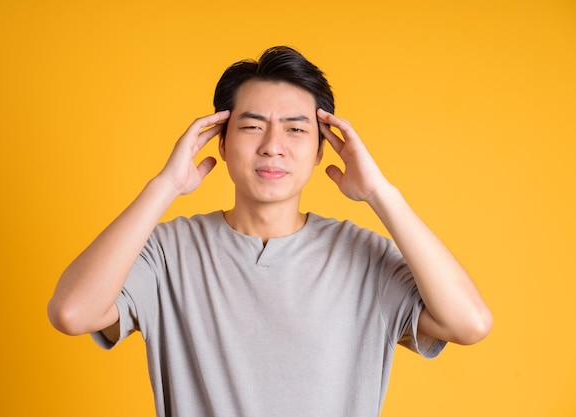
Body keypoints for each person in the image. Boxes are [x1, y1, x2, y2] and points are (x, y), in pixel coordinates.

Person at [48, 46, 492, 417]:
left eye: (296, 129)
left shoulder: (363, 255)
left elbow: (469, 323)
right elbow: (73, 313)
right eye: (252, 126)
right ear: (220, 142)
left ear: (322, 149)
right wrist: (164, 187)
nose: (272, 146)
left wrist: (380, 192)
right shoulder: (168, 252)